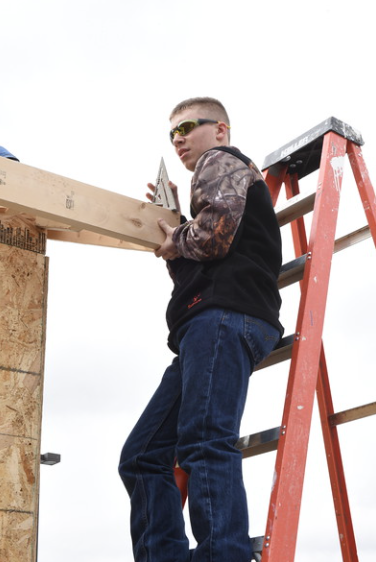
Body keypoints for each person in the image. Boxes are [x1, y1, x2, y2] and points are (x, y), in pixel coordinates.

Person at [119, 97, 284, 562]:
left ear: (221, 131)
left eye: (189, 126)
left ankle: (223, 555)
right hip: (205, 324)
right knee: (142, 455)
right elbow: (205, 250)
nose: (178, 138)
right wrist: (176, 227)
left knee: (206, 441)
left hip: (225, 318)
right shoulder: (208, 179)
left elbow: (213, 237)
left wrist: (179, 239)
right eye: (172, 132)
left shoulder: (218, 162)